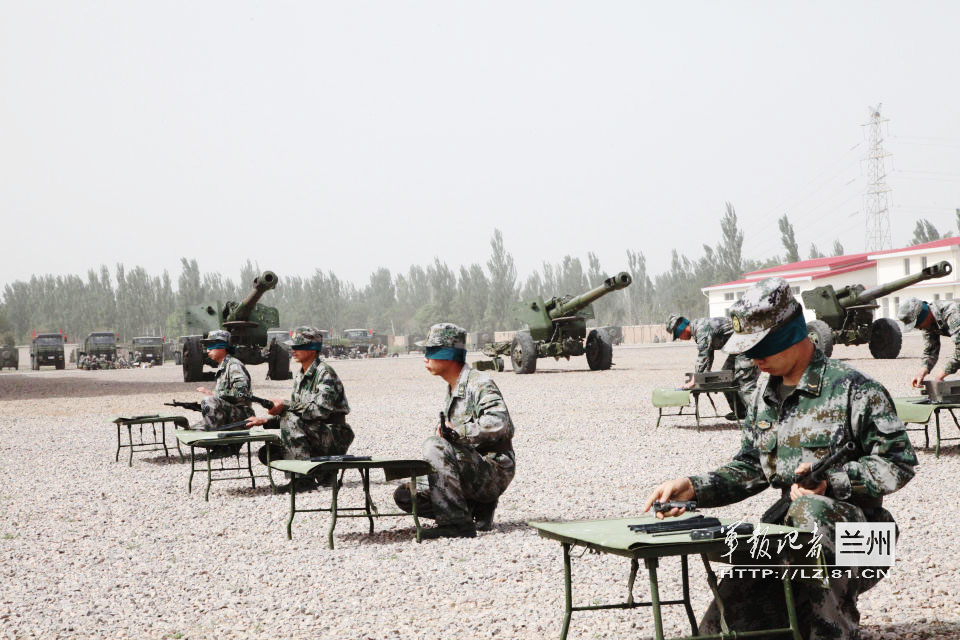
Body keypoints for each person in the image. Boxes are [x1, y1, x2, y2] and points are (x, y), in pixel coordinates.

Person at [646, 278, 917, 639]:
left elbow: (899, 463)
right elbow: (751, 466)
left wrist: (832, 482)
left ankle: (830, 628)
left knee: (811, 513)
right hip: (793, 536)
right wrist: (694, 487)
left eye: (762, 348)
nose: (754, 359)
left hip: (868, 540)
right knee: (722, 628)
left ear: (790, 333)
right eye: (748, 350)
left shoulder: (856, 389)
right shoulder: (764, 393)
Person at [393, 323, 515, 539]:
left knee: (433, 445)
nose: (425, 358)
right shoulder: (453, 387)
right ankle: (475, 509)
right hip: (470, 467)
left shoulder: (479, 383)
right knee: (405, 495)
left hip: (493, 468)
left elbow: (500, 422)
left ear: (447, 354)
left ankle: (457, 524)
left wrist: (458, 431)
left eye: (430, 352)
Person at [246, 327, 353, 489]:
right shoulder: (301, 375)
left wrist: (285, 404)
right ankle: (322, 473)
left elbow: (320, 411)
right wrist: (264, 421)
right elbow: (296, 411)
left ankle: (303, 479)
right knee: (269, 452)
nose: (293, 350)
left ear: (312, 349)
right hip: (316, 432)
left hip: (334, 433)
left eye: (298, 347)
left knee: (289, 418)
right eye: (292, 347)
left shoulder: (325, 373)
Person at [665, 313, 760, 419]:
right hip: (739, 349)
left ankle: (761, 416)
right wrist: (703, 376)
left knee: (745, 381)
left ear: (681, 329)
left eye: (678, 335)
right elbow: (708, 356)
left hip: (749, 346)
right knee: (726, 377)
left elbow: (703, 356)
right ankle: (741, 412)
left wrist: (694, 380)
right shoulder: (699, 328)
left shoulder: (701, 329)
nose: (680, 338)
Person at [194, 329, 255, 430]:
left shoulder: (234, 366)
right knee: (192, 430)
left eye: (211, 346)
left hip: (242, 415)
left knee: (209, 401)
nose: (208, 350)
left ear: (223, 346)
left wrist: (214, 397)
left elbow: (242, 393)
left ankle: (215, 436)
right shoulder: (224, 366)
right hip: (232, 414)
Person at [896, 296, 960, 388]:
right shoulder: (928, 325)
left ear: (923, 315)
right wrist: (922, 372)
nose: (918, 328)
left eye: (916, 324)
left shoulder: (952, 312)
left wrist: (942, 374)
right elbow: (930, 350)